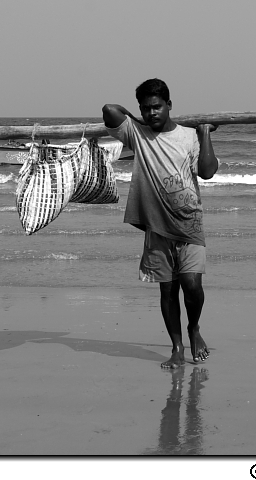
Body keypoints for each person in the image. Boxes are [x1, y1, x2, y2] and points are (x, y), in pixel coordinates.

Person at [102, 78, 218, 369]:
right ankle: (177, 347)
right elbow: (109, 110)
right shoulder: (137, 134)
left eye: (157, 107)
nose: (152, 113)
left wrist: (204, 134)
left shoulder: (189, 135)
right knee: (168, 290)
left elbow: (207, 172)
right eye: (146, 109)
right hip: (157, 224)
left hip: (189, 221)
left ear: (169, 105)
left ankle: (194, 328)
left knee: (191, 285)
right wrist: (135, 120)